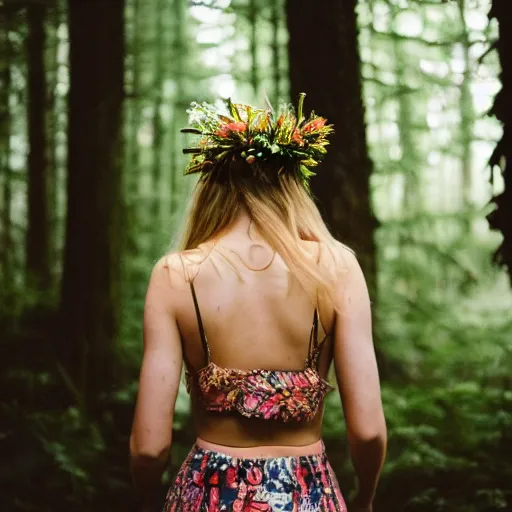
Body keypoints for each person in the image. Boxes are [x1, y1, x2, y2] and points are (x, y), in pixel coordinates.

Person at [129, 94, 387, 511]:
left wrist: (144, 499)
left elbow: (148, 448)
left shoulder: (175, 276)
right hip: (309, 496)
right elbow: (370, 432)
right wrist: (367, 497)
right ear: (292, 184)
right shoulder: (337, 267)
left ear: (210, 183)